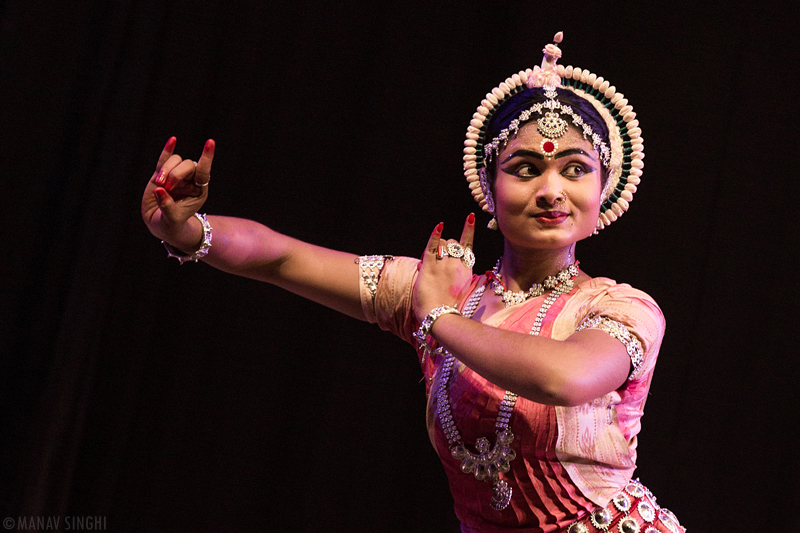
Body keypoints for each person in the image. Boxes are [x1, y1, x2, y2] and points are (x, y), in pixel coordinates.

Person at [141, 32, 685, 533]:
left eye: (575, 169)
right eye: (524, 170)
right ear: (490, 190)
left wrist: (439, 318)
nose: (550, 190)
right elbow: (281, 259)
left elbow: (563, 378)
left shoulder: (620, 309)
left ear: (604, 189)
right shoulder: (440, 292)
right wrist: (188, 230)